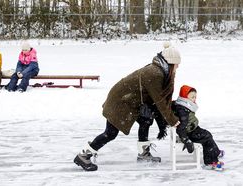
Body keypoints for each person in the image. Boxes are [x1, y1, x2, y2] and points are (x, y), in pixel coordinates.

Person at [74, 42, 181, 171]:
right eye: (176, 64)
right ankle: (84, 155)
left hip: (130, 101)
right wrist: (173, 120)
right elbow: (159, 100)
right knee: (110, 133)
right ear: (170, 63)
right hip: (120, 102)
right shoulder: (155, 73)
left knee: (145, 120)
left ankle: (143, 153)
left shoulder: (159, 70)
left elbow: (159, 99)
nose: (178, 66)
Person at [172, 85, 225, 171]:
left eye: (195, 96)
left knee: (207, 134)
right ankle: (211, 162)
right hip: (189, 133)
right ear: (185, 96)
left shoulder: (183, 105)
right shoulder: (183, 110)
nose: (194, 98)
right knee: (207, 137)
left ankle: (215, 152)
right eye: (192, 97)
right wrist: (186, 140)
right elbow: (181, 128)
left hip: (192, 129)